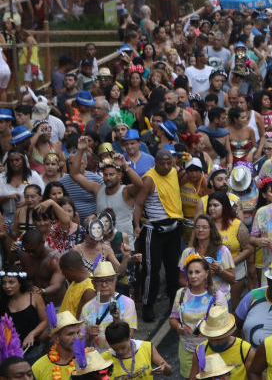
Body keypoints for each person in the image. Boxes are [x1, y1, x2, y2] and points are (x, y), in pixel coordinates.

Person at [134, 147, 184, 323]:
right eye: (162, 163)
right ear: (155, 163)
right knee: (151, 269)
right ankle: (148, 305)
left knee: (174, 267)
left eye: (169, 163)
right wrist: (136, 226)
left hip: (173, 226)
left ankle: (173, 301)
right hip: (153, 229)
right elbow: (139, 204)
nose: (165, 166)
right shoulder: (149, 179)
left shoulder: (174, 172)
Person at [171, 255, 227, 378]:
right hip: (187, 350)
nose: (193, 276)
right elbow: (173, 318)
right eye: (190, 272)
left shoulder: (217, 297)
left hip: (210, 350)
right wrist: (178, 327)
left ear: (206, 273)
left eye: (197, 272)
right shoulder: (181, 294)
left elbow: (225, 326)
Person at [80, 261, 137, 354]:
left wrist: (117, 321)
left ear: (115, 280)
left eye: (109, 280)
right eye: (100, 281)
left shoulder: (127, 303)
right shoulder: (87, 308)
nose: (104, 285)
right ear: (93, 283)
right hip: (100, 360)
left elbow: (129, 337)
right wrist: (90, 336)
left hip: (122, 356)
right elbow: (82, 344)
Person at [186, 306, 252, 380]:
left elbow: (254, 376)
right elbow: (193, 377)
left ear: (229, 333)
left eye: (219, 339)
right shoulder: (200, 351)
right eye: (211, 338)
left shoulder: (244, 350)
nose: (214, 343)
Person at [0, 269, 47, 362]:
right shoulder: (3, 300)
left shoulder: (34, 296)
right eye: (4, 283)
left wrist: (32, 334)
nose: (7, 286)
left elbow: (45, 320)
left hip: (32, 348)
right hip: (9, 352)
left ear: (20, 282)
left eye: (11, 282)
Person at [31, 311, 82, 380]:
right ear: (56, 339)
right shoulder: (39, 366)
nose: (76, 338)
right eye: (70, 334)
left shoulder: (89, 360)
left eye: (78, 333)